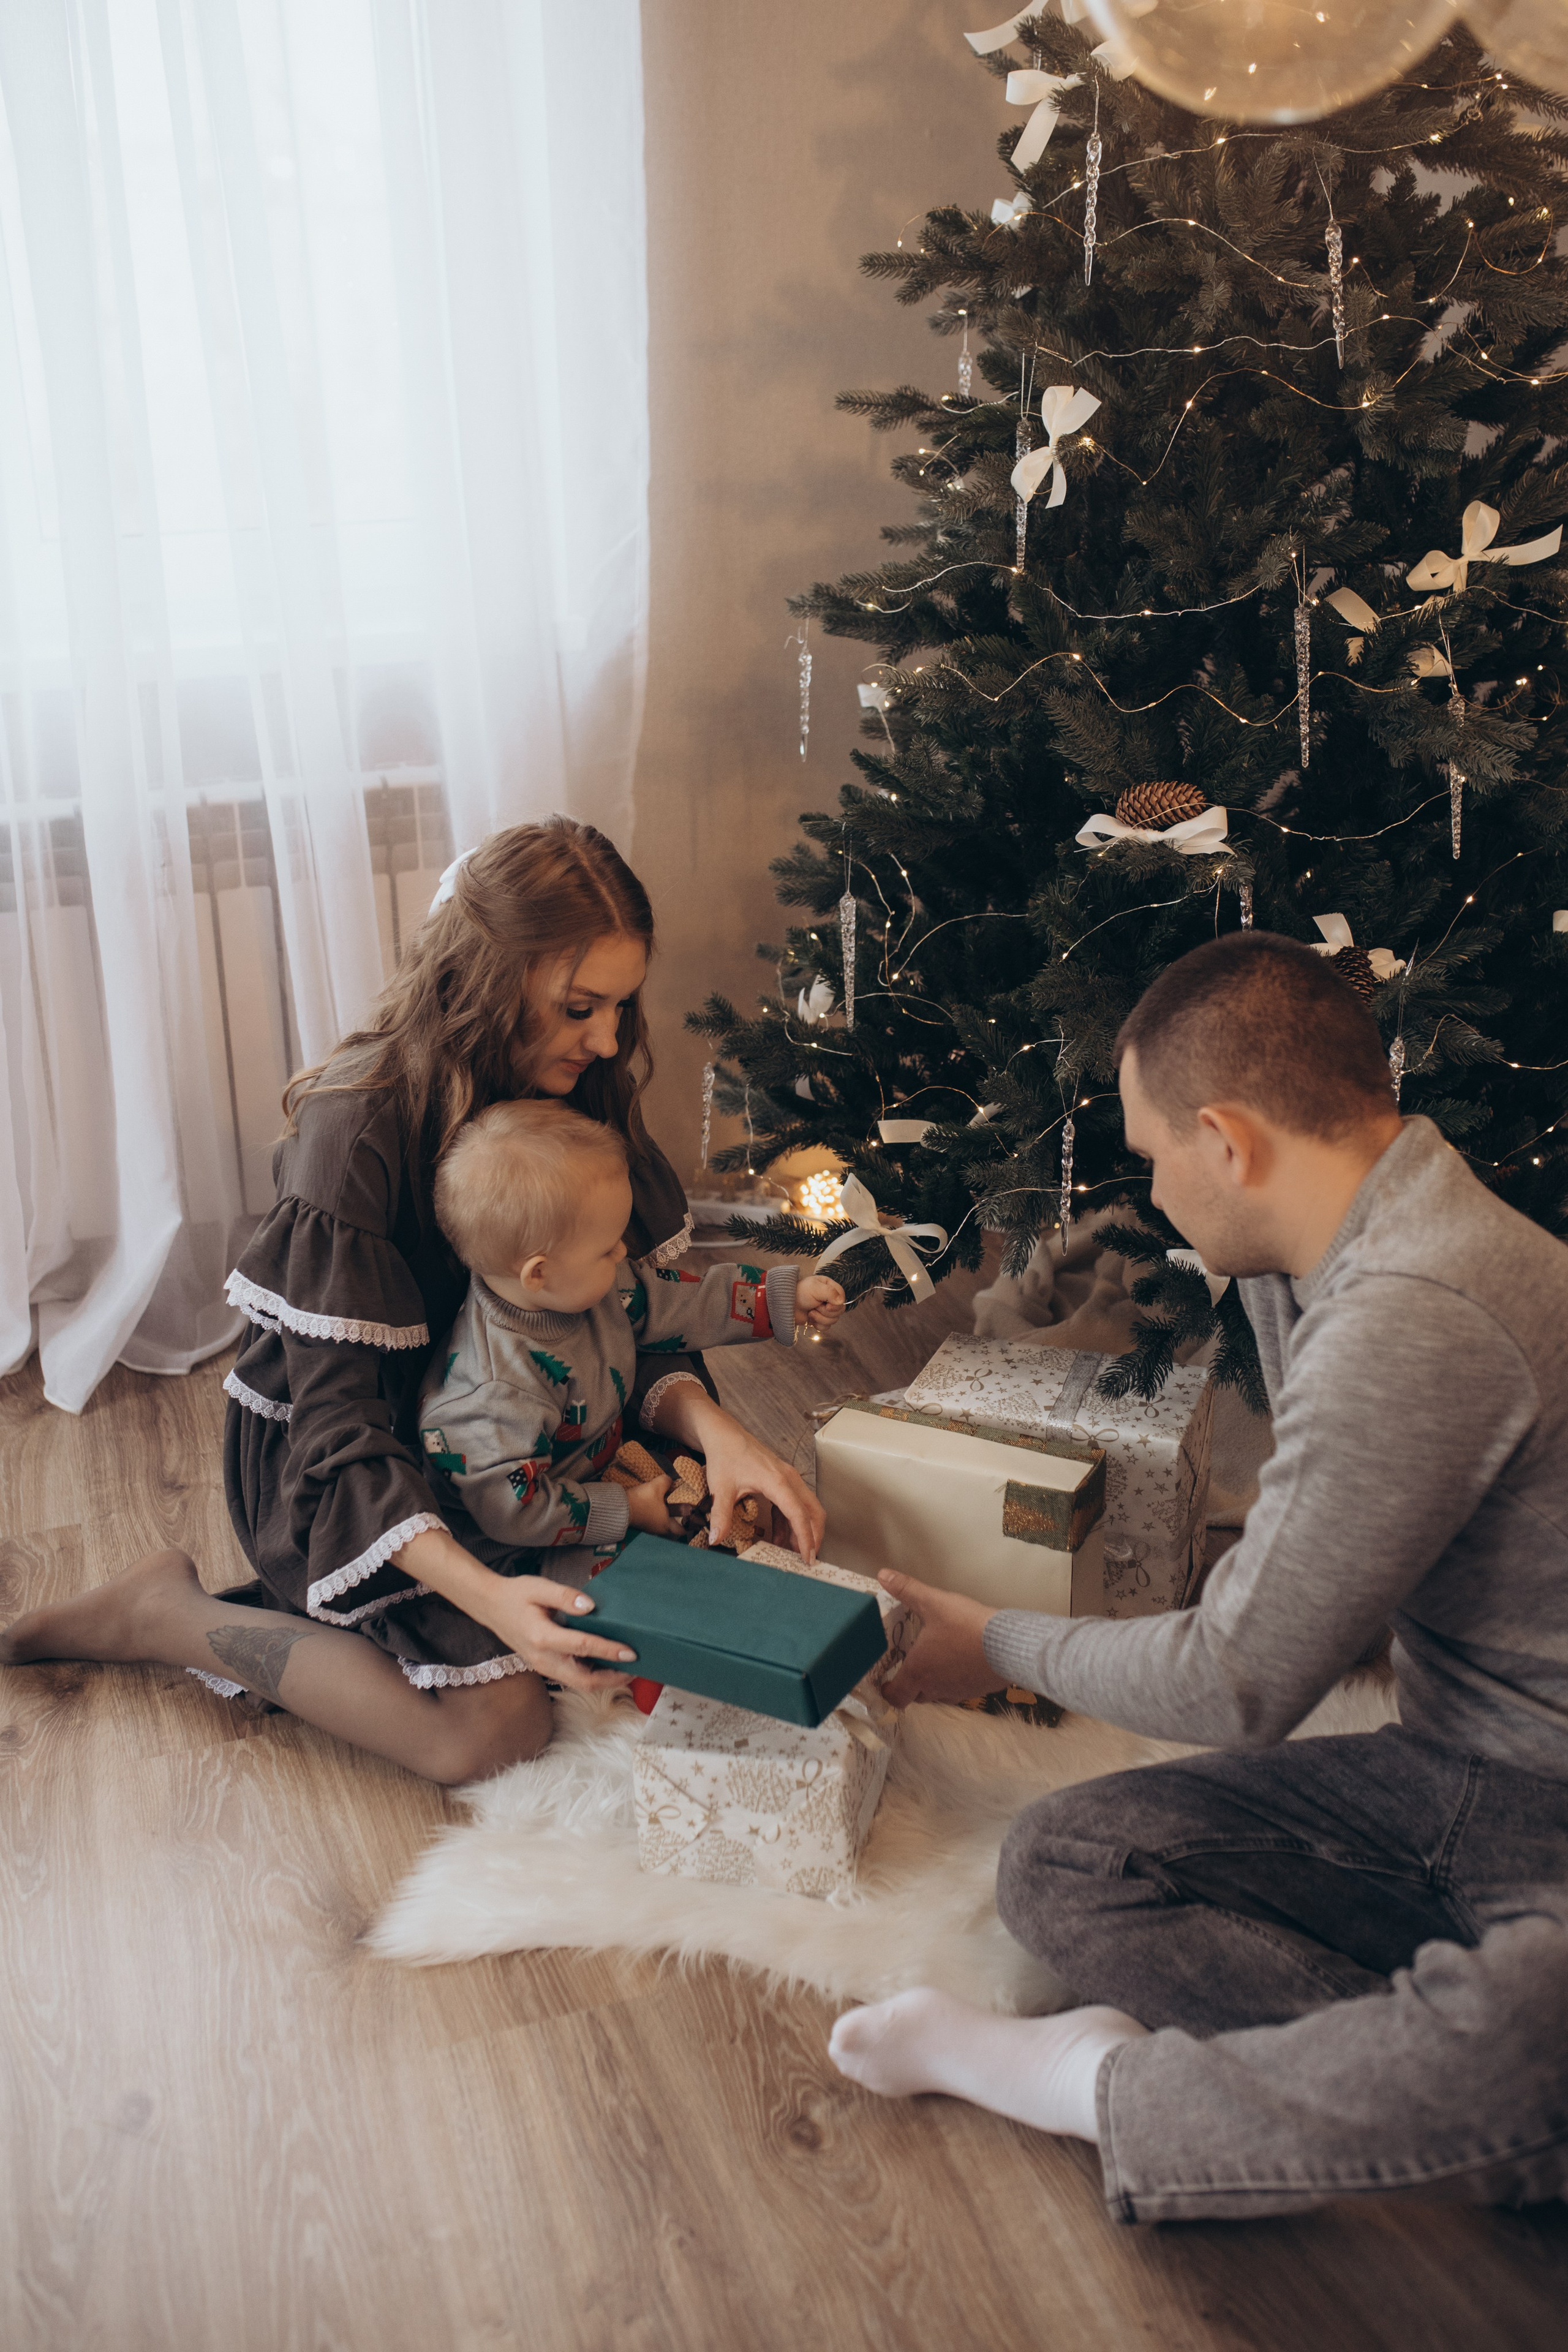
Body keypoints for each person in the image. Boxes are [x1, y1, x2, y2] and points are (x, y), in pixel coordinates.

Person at [828, 930, 1568, 2223]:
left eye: (1152, 1153)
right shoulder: (1349, 1233)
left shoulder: (1416, 1306)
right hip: (1450, 1773)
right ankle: (1460, 2105)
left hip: (1542, 1816)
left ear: (1226, 1141)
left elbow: (1238, 1680)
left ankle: (1102, 2089)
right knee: (1066, 1860)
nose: (1153, 1194)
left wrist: (993, 1640)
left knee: (1513, 2032)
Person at [1, 820, 827, 1785]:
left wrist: (718, 1431)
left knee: (727, 1554)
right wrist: (488, 1597)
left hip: (523, 1421)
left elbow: (628, 1304)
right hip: (360, 1456)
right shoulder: (355, 1129)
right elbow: (338, 1431)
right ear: (489, 978)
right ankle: (167, 1616)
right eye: (579, 1008)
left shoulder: (584, 1085)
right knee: (488, 1731)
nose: (607, 1038)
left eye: (619, 1006)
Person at [416, 1096, 845, 1574]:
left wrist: (782, 1299)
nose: (624, 1251)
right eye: (606, 1248)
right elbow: (517, 1512)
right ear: (539, 1274)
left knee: (734, 1503)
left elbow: (681, 1302)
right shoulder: (493, 1396)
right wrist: (628, 1510)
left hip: (603, 1466)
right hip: (525, 1541)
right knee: (642, 1582)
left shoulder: (590, 1285)